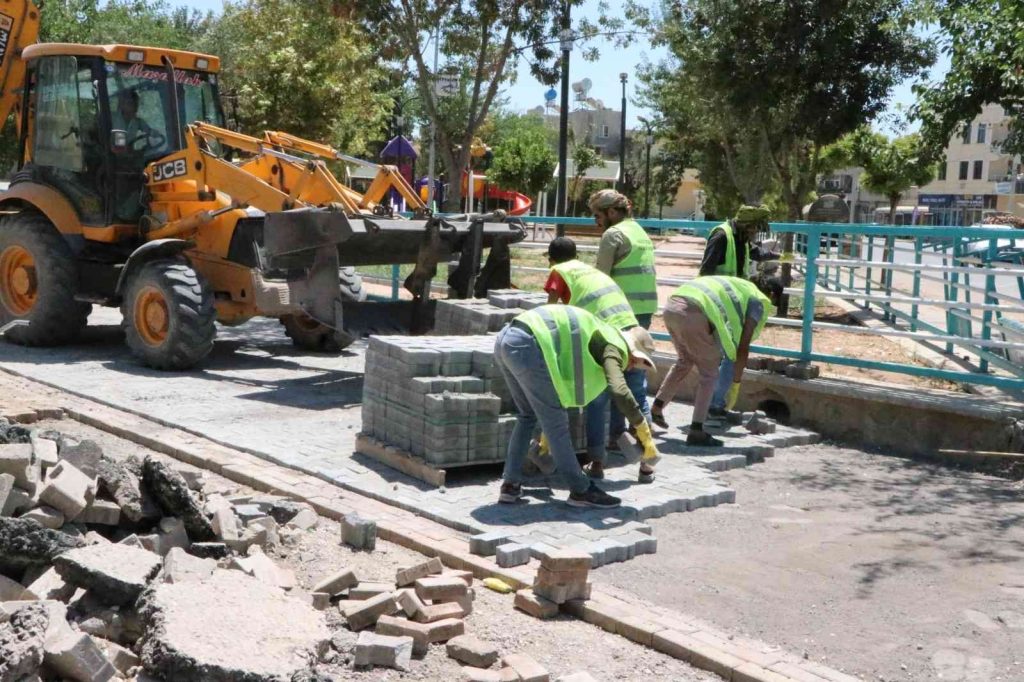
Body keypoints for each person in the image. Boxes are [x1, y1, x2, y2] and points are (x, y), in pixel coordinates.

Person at [494, 304, 660, 508]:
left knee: (527, 416)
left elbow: (565, 380)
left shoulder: (602, 333)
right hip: (527, 345)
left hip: (507, 338)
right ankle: (580, 490)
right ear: (633, 353)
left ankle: (510, 485)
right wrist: (642, 428)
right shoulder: (614, 347)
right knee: (556, 423)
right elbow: (619, 390)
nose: (632, 367)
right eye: (636, 363)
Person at [543, 236, 654, 480]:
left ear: (552, 259)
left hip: (605, 338)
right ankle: (647, 463)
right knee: (635, 396)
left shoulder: (558, 271)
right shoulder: (590, 272)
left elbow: (548, 313)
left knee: (597, 399)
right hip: (632, 332)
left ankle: (596, 464)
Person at [649, 276, 771, 446]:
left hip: (671, 307)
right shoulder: (756, 302)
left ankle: (656, 408)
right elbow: (742, 348)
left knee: (685, 361)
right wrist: (735, 385)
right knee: (709, 374)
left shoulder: (736, 286)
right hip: (693, 313)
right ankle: (697, 430)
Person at [698, 204, 780, 426]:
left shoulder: (740, 238)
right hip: (718, 304)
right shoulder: (721, 236)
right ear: (746, 225)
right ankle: (710, 406)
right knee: (717, 356)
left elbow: (753, 253)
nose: (754, 234)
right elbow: (706, 270)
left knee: (729, 354)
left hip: (733, 304)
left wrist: (778, 256)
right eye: (753, 229)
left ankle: (716, 405)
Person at [588, 189, 658, 443]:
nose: (596, 221)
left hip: (619, 315)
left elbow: (601, 279)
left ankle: (628, 438)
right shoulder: (640, 231)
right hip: (643, 314)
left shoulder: (613, 234)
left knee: (616, 377)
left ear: (612, 212)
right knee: (634, 376)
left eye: (598, 215)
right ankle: (633, 439)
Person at [698, 204, 779, 279]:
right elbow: (706, 272)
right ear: (746, 225)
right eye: (756, 227)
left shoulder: (742, 237)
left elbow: (757, 253)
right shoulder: (721, 237)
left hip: (734, 290)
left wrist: (780, 256)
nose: (756, 231)